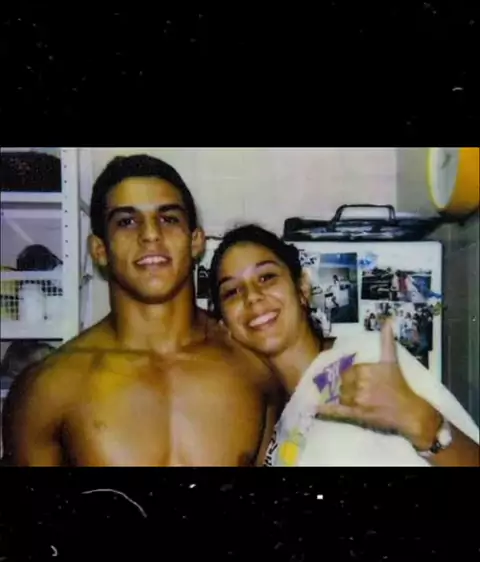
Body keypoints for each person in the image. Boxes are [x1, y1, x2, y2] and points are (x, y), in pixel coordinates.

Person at [2, 157, 280, 467]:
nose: (150, 234)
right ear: (99, 249)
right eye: (126, 221)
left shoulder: (254, 366)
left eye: (169, 218)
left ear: (196, 241)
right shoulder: (48, 391)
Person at [209, 225, 480, 468]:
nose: (253, 297)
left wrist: (422, 422)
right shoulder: (279, 428)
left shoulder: (364, 356)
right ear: (225, 326)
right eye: (232, 291)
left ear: (302, 287)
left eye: (266, 277)